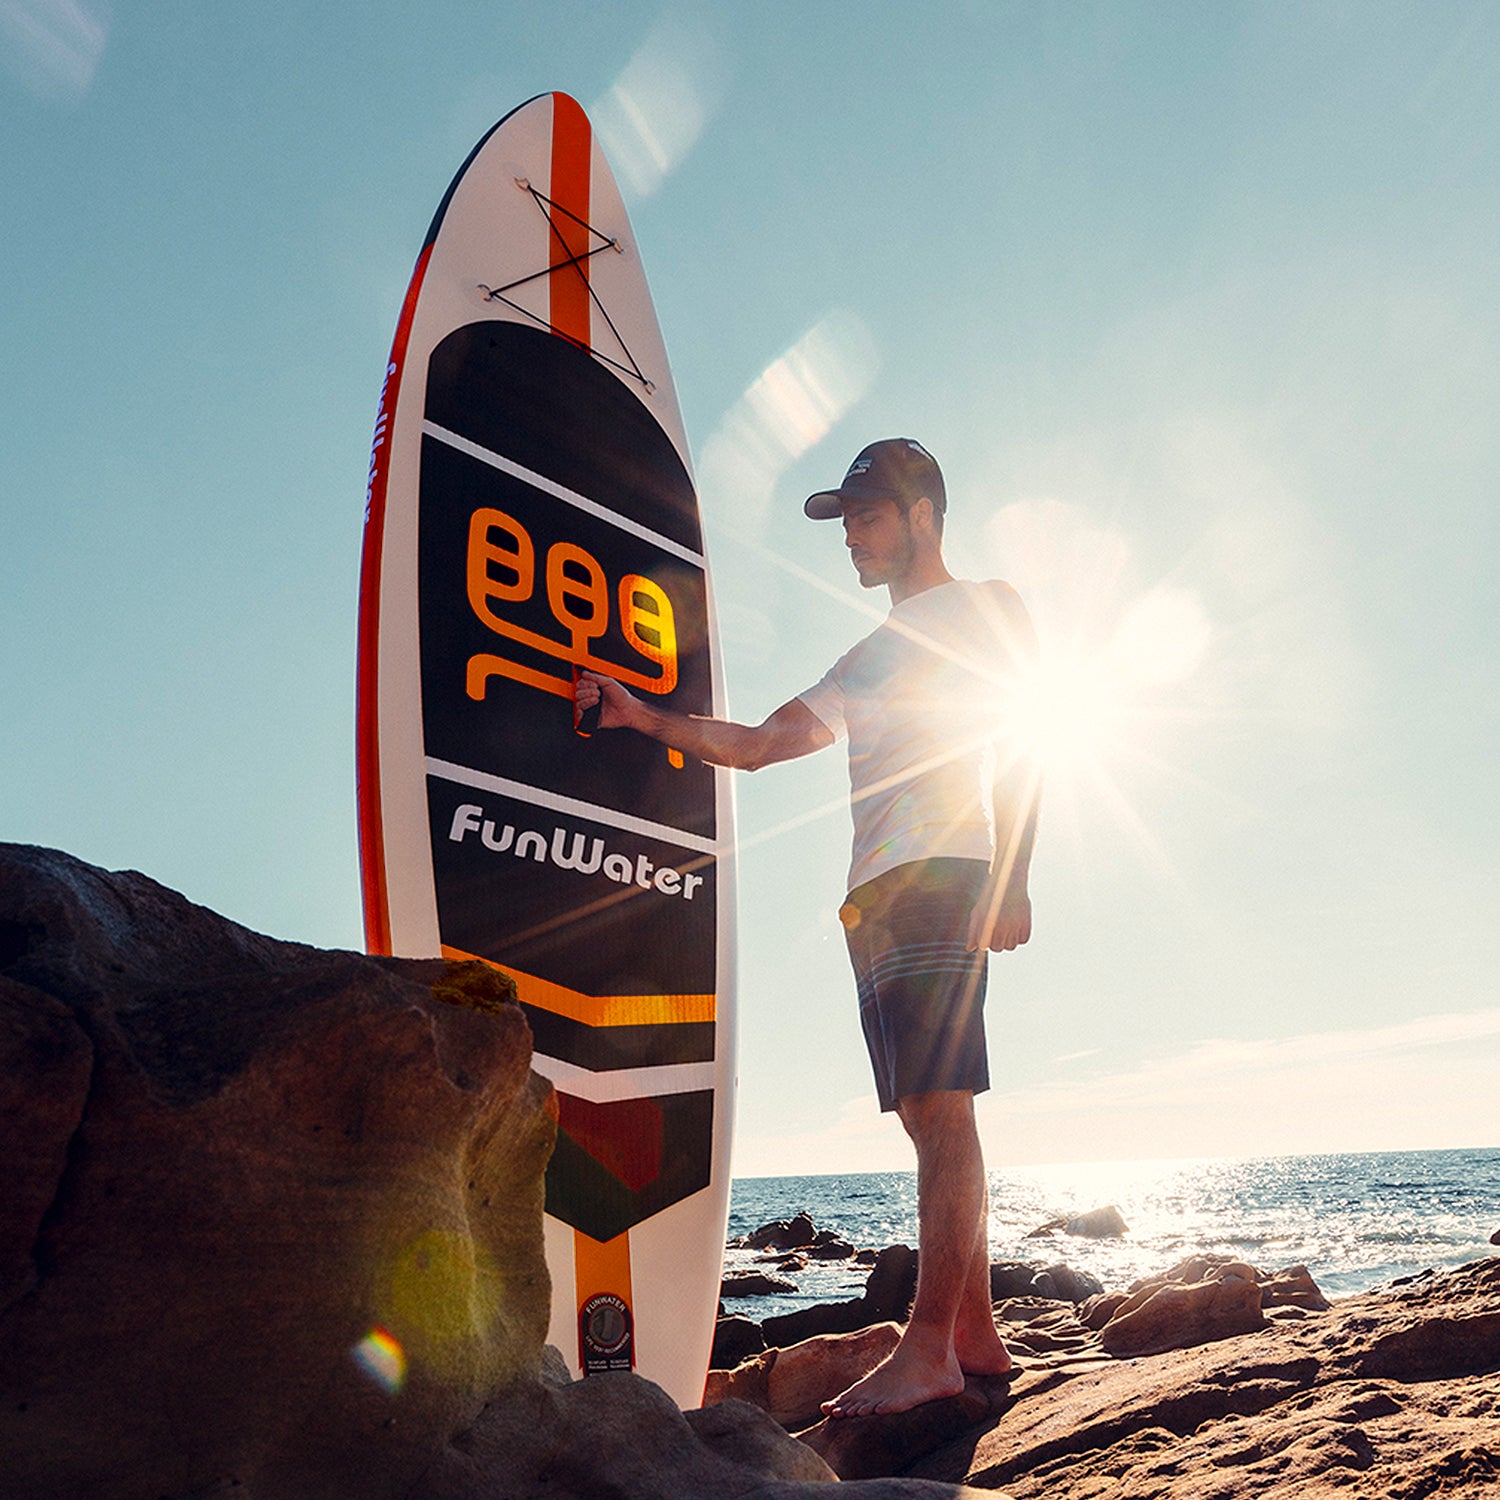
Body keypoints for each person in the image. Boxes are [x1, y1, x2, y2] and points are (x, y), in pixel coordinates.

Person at [576, 437, 1040, 1417]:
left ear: (921, 515)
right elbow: (759, 746)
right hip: (872, 891)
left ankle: (928, 1346)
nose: (853, 540)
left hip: (943, 873)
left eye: (866, 517)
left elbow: (1029, 744)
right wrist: (645, 719)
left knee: (941, 1103)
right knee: (928, 1109)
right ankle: (976, 1331)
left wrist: (1016, 878)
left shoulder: (987, 609)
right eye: (847, 523)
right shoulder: (866, 658)